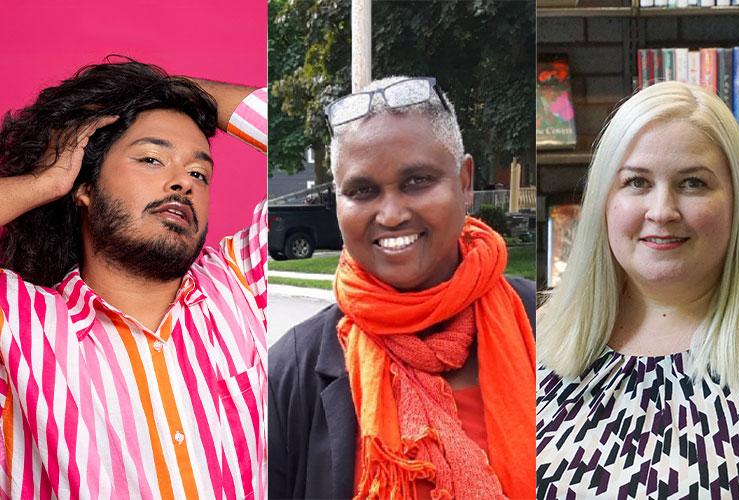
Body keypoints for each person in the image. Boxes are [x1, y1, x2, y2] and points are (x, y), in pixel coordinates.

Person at [0, 60, 267, 497]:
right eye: (152, 159)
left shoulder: (244, 284)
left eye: (199, 173)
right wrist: (43, 183)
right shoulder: (20, 327)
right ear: (82, 188)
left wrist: (169, 89)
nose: (182, 182)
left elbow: (323, 134)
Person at [268, 76, 536, 499]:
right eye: (362, 191)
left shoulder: (541, 324)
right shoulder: (290, 373)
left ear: (465, 182)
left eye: (417, 181)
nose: (391, 215)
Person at [536, 81, 739, 498]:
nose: (662, 211)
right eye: (637, 182)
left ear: (737, 201)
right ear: (605, 199)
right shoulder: (537, 340)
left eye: (693, 183)